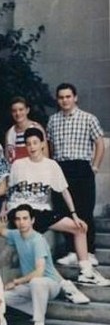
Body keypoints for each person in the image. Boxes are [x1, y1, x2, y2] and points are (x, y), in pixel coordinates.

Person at [1, 127, 109, 286]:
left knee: (80, 228)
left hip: (40, 211)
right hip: (21, 210)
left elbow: (65, 191)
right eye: (28, 144)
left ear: (42, 144)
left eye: (35, 143)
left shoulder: (51, 165)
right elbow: (9, 189)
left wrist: (74, 215)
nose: (32, 147)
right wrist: (4, 207)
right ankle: (67, 282)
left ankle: (86, 272)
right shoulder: (18, 164)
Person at [0, 204, 90, 325]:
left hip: (50, 284)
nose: (22, 222)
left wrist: (16, 282)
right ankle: (37, 308)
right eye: (18, 219)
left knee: (37, 282)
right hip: (30, 285)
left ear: (32, 220)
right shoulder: (16, 235)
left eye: (25, 218)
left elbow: (39, 272)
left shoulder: (38, 240)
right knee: (2, 297)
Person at [47, 82, 105, 266]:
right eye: (61, 97)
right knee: (63, 211)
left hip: (82, 168)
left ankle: (89, 251)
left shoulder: (88, 118)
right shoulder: (53, 120)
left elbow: (100, 143)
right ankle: (72, 251)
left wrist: (94, 166)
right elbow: (49, 146)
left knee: (84, 209)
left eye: (68, 96)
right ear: (58, 100)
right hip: (61, 168)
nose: (65, 100)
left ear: (75, 97)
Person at [5, 96, 48, 164]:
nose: (18, 113)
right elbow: (8, 159)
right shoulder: (10, 133)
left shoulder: (36, 128)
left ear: (27, 110)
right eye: (14, 111)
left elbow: (45, 156)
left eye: (21, 109)